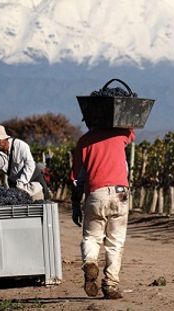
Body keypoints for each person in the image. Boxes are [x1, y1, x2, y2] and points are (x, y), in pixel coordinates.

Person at [71, 127, 135, 299]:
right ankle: (111, 286)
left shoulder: (84, 141)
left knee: (92, 237)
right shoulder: (121, 134)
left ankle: (90, 262)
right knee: (115, 242)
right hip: (120, 193)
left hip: (96, 193)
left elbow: (76, 177)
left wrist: (76, 203)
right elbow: (131, 130)